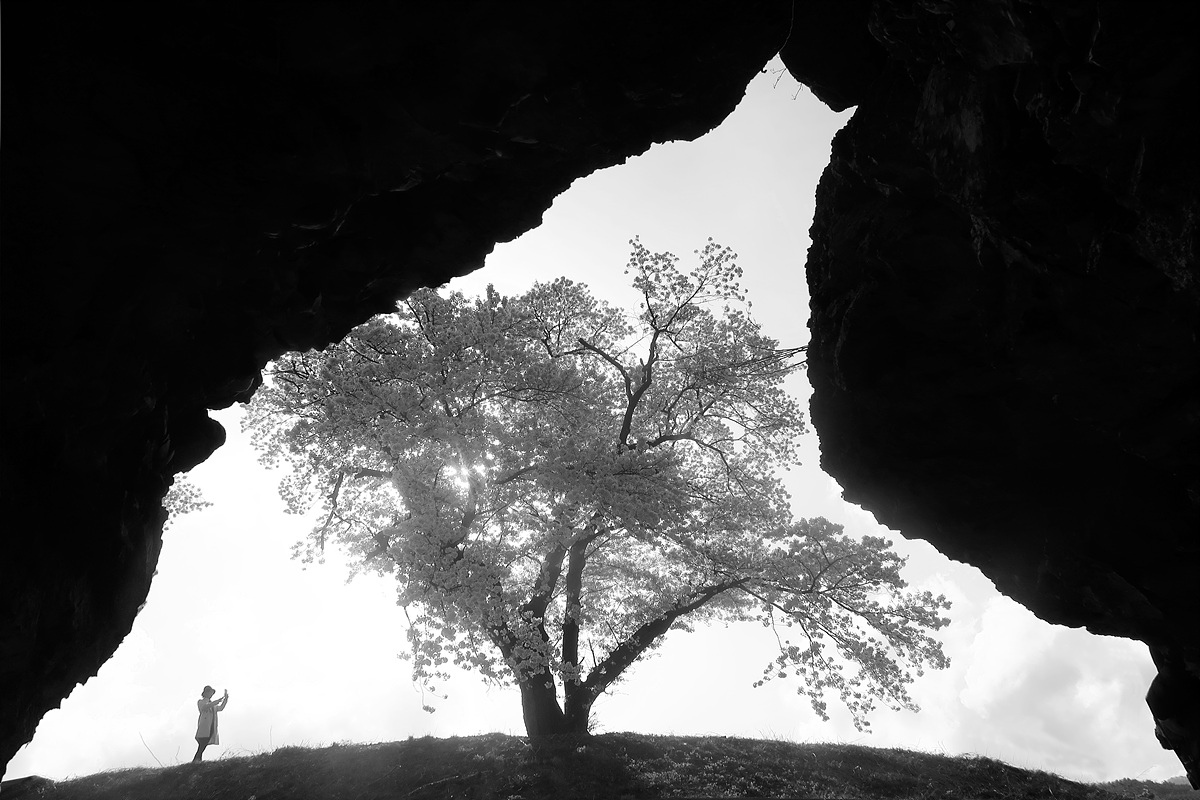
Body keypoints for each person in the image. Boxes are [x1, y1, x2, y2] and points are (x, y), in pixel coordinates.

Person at [193, 685, 229, 763]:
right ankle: (196, 760)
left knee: (202, 745)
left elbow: (220, 708)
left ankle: (197, 761)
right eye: (210, 692)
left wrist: (225, 699)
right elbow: (204, 707)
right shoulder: (201, 702)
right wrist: (216, 701)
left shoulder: (213, 705)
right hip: (204, 727)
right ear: (206, 693)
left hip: (210, 728)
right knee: (202, 744)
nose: (211, 694)